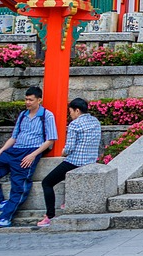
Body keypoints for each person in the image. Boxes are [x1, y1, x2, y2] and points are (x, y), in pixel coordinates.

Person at [0, 86, 57, 227]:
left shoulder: (46, 115)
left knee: (18, 186)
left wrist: (33, 155)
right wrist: (0, 152)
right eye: (26, 99)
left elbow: (50, 140)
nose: (27, 102)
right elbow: (14, 137)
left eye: (31, 100)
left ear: (39, 100)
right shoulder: (23, 115)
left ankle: (6, 217)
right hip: (14, 150)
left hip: (30, 151)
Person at [36, 97, 102, 227]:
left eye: (70, 111)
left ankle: (49, 215)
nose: (70, 114)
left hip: (75, 161)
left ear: (77, 111)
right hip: (91, 160)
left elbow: (70, 148)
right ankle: (67, 201)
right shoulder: (95, 121)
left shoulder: (75, 124)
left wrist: (63, 152)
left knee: (47, 182)